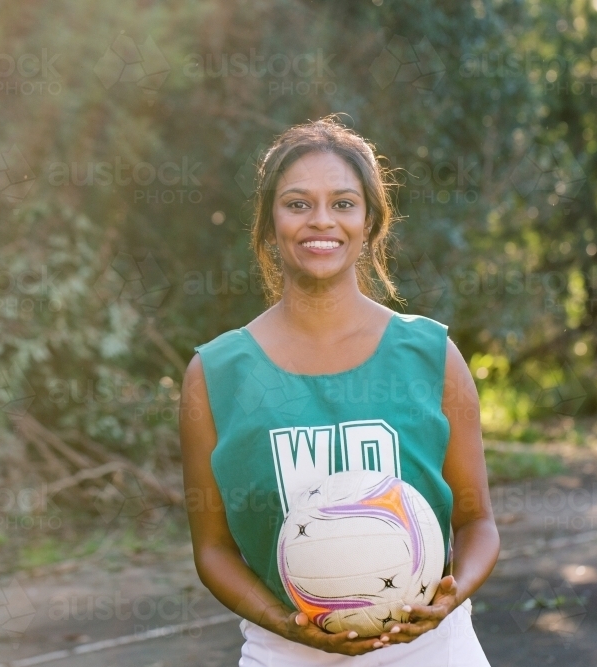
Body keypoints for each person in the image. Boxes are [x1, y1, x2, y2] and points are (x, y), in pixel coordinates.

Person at [180, 115, 499, 666]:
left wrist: (453, 593)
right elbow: (212, 549)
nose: (321, 221)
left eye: (344, 203)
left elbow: (478, 523)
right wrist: (285, 625)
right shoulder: (216, 373)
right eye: (298, 203)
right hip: (284, 654)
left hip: (430, 651)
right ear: (268, 222)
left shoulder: (431, 355)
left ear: (372, 221)